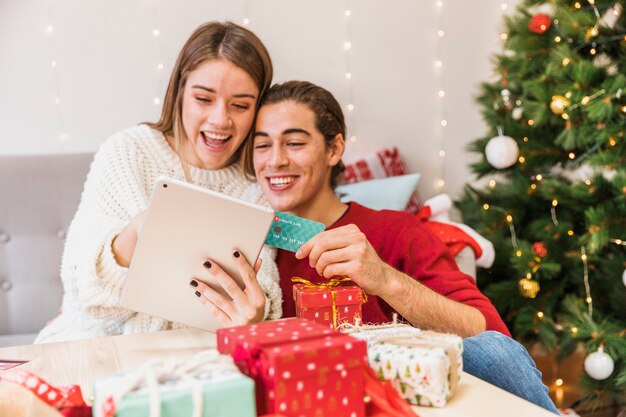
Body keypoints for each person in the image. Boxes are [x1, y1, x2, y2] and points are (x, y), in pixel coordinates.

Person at [240, 80, 559, 414]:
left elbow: (490, 336)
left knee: (493, 351)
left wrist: (385, 279)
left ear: (334, 149)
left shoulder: (395, 230)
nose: (275, 160)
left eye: (294, 143)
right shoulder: (253, 245)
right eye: (262, 146)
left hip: (402, 403)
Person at [35, 21, 283, 343]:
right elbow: (85, 291)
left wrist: (253, 316)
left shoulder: (257, 184)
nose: (221, 119)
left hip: (195, 358)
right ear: (180, 93)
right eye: (204, 99)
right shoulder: (129, 152)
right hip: (91, 344)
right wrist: (132, 237)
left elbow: (263, 295)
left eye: (240, 105)